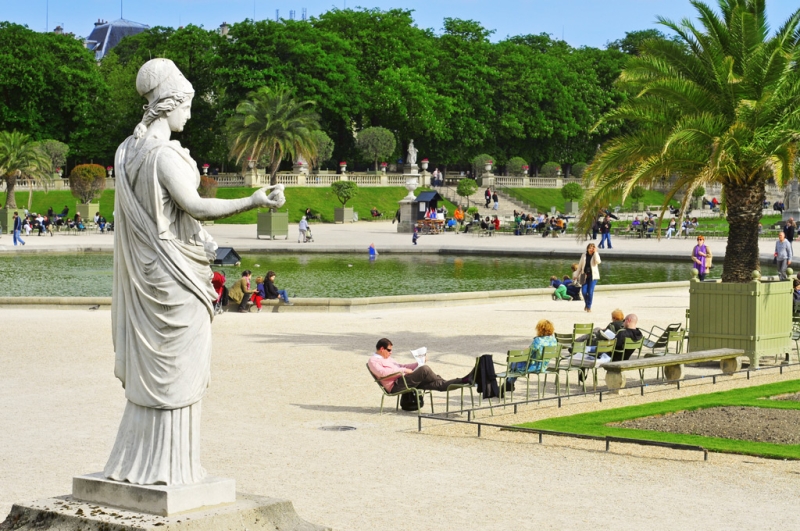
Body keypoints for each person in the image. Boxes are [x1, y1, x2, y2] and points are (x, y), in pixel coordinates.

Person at [104, 58, 285, 486]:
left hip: (149, 275)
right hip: (175, 279)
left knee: (161, 372)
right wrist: (254, 200)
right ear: (168, 104)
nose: (190, 111)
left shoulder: (127, 150)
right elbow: (196, 207)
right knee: (180, 371)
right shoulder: (163, 154)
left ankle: (142, 463)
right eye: (186, 103)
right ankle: (170, 469)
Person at [367, 338, 471, 394]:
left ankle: (464, 380)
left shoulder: (388, 359)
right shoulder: (373, 360)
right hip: (396, 385)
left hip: (406, 381)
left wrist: (418, 362)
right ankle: (443, 380)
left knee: (438, 385)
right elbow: (382, 373)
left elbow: (401, 365)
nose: (391, 353)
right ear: (381, 349)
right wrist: (403, 370)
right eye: (389, 350)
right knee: (424, 369)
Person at [577, 243, 601, 312]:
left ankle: (589, 307)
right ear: (587, 249)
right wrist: (575, 275)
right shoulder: (583, 255)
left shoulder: (595, 255)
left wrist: (596, 252)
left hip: (593, 276)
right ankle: (587, 304)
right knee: (584, 292)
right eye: (590, 248)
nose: (591, 249)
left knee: (590, 292)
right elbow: (580, 267)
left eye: (592, 248)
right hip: (583, 275)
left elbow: (598, 261)